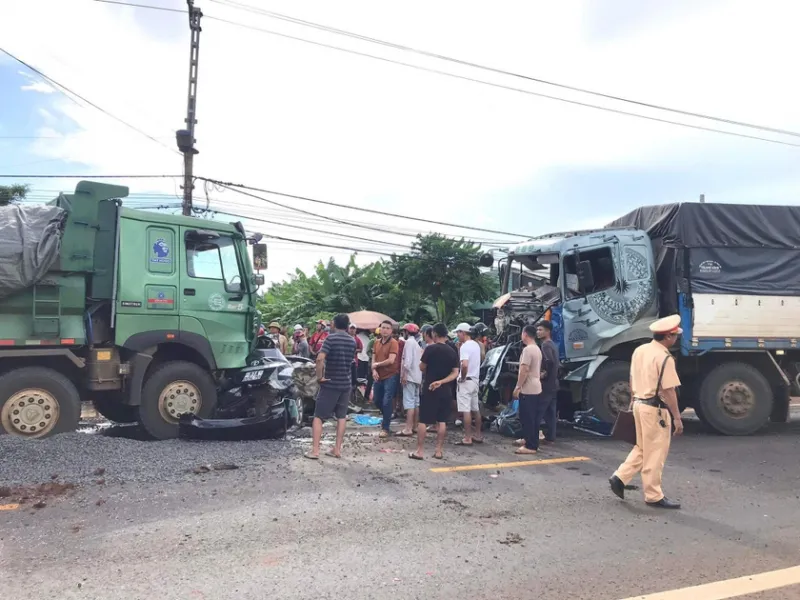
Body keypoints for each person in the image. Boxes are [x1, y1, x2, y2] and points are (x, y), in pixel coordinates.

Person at [609, 315, 684, 509]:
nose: (676, 338)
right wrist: (677, 418)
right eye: (675, 335)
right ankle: (653, 495)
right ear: (668, 337)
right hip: (655, 409)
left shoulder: (640, 350)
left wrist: (634, 401)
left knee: (643, 447)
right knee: (656, 452)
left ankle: (620, 477)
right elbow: (669, 391)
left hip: (639, 404)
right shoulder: (665, 357)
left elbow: (632, 377)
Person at [305, 313, 356, 460]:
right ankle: (337, 449)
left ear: (334, 323)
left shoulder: (330, 338)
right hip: (345, 384)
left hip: (330, 383)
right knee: (341, 416)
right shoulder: (352, 341)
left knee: (319, 416)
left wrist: (320, 377)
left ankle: (315, 451)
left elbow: (320, 358)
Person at [410, 323, 459, 460]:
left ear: (434, 334)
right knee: (442, 421)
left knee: (423, 420)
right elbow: (455, 372)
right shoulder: (452, 351)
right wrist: (442, 381)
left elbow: (421, 367)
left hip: (430, 388)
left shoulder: (430, 349)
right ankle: (438, 451)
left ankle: (419, 451)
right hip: (446, 390)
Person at [513, 324, 544, 455]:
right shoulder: (537, 348)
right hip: (536, 386)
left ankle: (531, 446)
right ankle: (530, 440)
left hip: (528, 388)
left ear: (525, 334)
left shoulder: (527, 350)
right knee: (533, 418)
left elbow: (524, 370)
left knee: (528, 417)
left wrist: (518, 386)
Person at [454, 323, 484, 445]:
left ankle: (467, 437)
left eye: (458, 332)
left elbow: (464, 364)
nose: (457, 335)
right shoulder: (476, 345)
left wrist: (463, 377)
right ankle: (478, 435)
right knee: (475, 409)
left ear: (463, 332)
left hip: (466, 381)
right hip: (475, 380)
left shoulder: (465, 346)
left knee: (466, 410)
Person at [371, 320, 400, 438]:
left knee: (387, 401)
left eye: (388, 328)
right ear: (380, 329)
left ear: (391, 330)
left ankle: (386, 427)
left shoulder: (394, 343)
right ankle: (386, 417)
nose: (385, 330)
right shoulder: (376, 342)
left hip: (390, 375)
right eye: (383, 328)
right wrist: (373, 370)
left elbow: (391, 360)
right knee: (377, 400)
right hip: (378, 375)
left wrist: (377, 365)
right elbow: (373, 358)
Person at [397, 323, 422, 437]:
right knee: (416, 402)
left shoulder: (409, 343)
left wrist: (403, 375)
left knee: (409, 403)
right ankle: (415, 426)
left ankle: (408, 428)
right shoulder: (416, 344)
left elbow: (407, 362)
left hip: (410, 376)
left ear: (407, 332)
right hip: (417, 377)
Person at [537, 320, 560, 444]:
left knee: (538, 411)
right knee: (551, 413)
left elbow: (549, 362)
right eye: (537, 330)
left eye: (540, 330)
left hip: (546, 385)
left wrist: (543, 374)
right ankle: (551, 437)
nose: (538, 332)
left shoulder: (545, 345)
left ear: (548, 331)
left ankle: (532, 436)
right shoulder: (553, 345)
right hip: (554, 384)